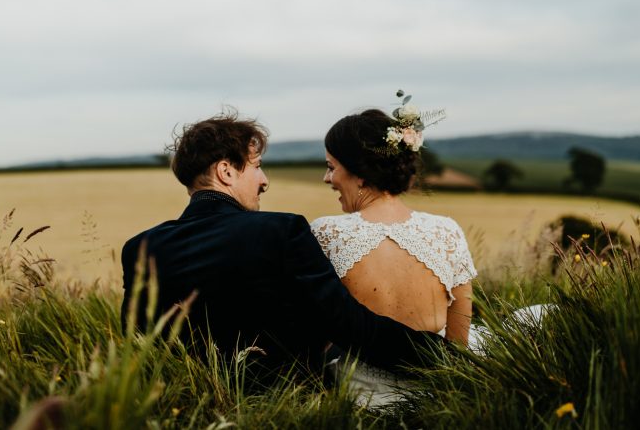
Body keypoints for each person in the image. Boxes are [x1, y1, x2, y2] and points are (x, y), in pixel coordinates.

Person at [120, 111, 444, 383]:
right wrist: (447, 358)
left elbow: (140, 342)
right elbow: (351, 326)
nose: (264, 180)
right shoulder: (281, 231)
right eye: (257, 165)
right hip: (288, 404)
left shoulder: (140, 247)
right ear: (226, 171)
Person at [310, 100, 476, 407]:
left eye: (332, 167)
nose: (326, 178)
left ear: (360, 173)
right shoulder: (447, 232)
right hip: (437, 390)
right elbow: (459, 343)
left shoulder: (326, 233)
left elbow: (313, 336)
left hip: (360, 395)